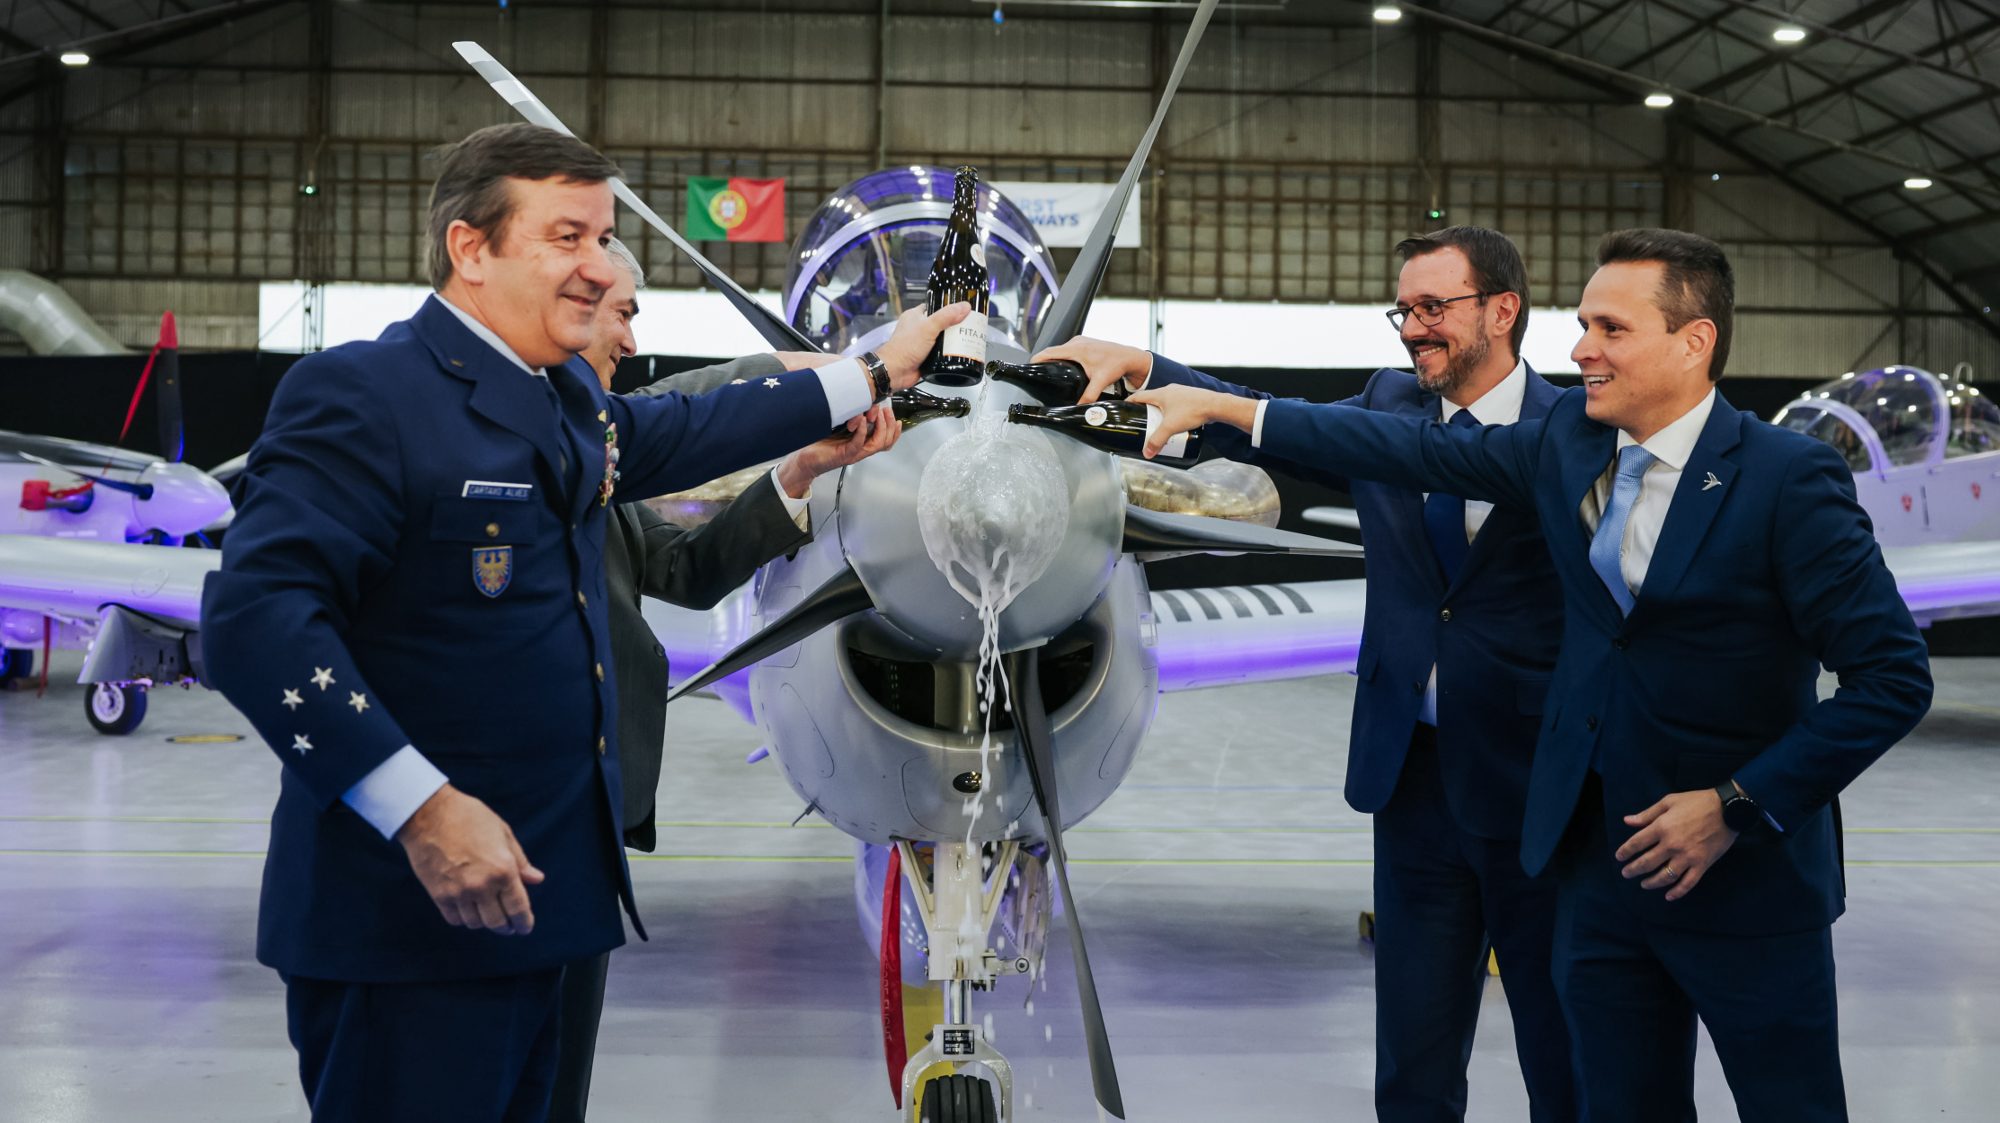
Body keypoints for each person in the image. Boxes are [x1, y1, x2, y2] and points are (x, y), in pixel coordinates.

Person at [199, 123, 966, 1121]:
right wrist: (421, 810)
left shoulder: (563, 404)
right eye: (568, 236)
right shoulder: (362, 395)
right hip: (410, 922)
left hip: (555, 909)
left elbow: (689, 427)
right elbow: (256, 625)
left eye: (603, 238)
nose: (600, 267)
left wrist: (873, 372)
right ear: (470, 249)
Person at [1130, 228, 1933, 1122]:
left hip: (1745, 876)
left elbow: (1893, 678)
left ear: (1694, 342)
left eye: (1611, 329)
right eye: (1584, 324)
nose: (1582, 347)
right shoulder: (1568, 448)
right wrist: (1201, 396)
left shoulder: (1787, 478)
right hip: (1598, 865)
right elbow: (1404, 449)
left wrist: (1736, 802)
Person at [1037, 226, 1574, 1123]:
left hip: (1538, 791)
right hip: (1413, 782)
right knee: (1413, 1061)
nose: (1413, 328)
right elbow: (1269, 416)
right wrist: (1147, 365)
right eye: (1402, 310)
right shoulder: (1390, 403)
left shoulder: (1572, 430)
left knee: (1566, 1058)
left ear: (1502, 310)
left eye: (1433, 307)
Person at [546, 239, 900, 1121]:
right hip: (519, 819)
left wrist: (800, 470)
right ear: (567, 309)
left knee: (553, 1080)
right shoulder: (547, 438)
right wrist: (832, 375)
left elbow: (687, 568)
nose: (631, 341)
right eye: (623, 314)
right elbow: (680, 416)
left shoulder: (595, 464)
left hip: (588, 829)